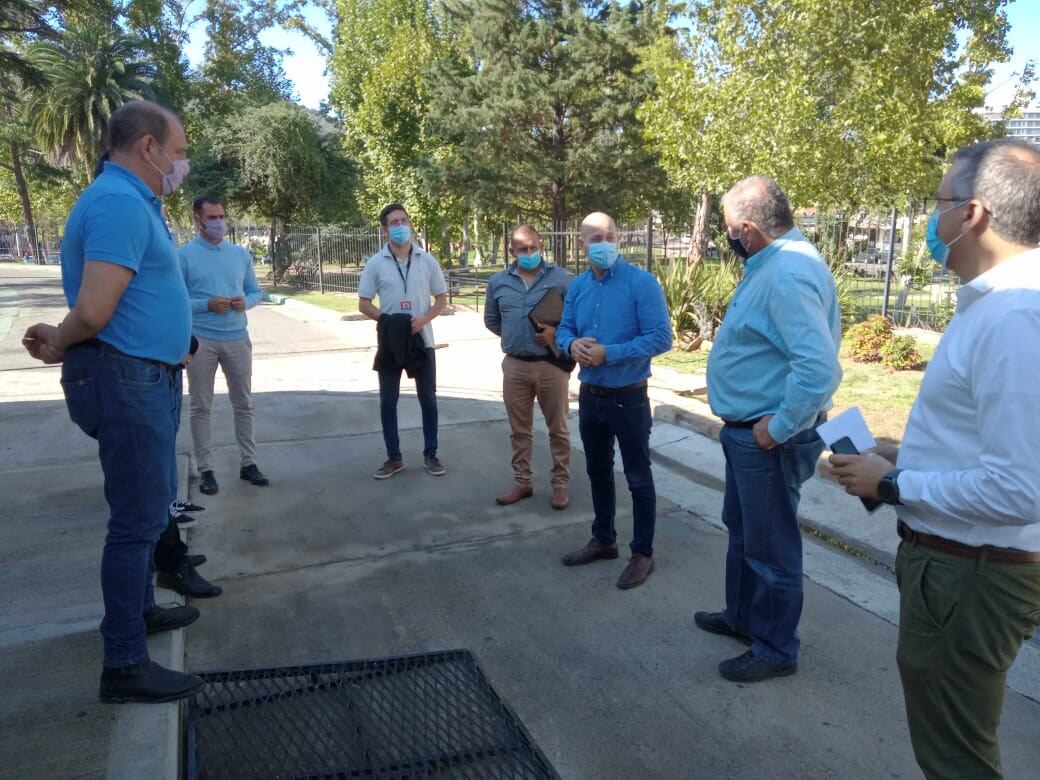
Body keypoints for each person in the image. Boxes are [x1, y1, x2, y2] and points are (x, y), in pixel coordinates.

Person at [830, 139, 1040, 779]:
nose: (931, 218)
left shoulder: (1013, 317)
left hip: (967, 576)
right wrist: (905, 452)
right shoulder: (998, 305)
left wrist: (893, 482)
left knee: (955, 757)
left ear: (973, 214)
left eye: (940, 202)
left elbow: (1021, 488)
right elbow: (993, 440)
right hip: (960, 570)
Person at [22, 100, 203, 703]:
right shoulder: (119, 202)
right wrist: (61, 339)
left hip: (142, 377)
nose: (181, 165)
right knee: (135, 524)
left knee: (148, 513)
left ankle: (140, 614)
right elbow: (96, 309)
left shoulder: (132, 202)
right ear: (148, 147)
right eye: (177, 153)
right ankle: (123, 662)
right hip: (125, 381)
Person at [694, 176, 841, 683]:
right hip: (748, 435)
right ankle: (744, 618)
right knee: (744, 531)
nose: (728, 238)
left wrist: (776, 429)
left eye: (730, 229)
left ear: (750, 229)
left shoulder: (786, 273)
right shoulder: (775, 262)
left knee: (770, 546)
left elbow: (818, 369)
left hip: (767, 441)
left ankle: (777, 647)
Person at [556, 211, 672, 589]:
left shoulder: (642, 283)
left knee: (638, 476)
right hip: (591, 396)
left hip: (630, 397)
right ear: (581, 243)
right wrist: (571, 344)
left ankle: (642, 553)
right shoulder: (578, 287)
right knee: (598, 472)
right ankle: (604, 539)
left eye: (608, 235)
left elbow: (660, 338)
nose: (602, 243)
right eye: (594, 237)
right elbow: (564, 329)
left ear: (618, 238)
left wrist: (612, 352)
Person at [178, 196, 266, 496]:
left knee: (243, 404)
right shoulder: (184, 256)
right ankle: (206, 469)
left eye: (222, 216)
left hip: (237, 338)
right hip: (201, 341)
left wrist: (247, 302)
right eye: (212, 217)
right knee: (201, 406)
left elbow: (256, 292)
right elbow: (176, 302)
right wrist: (206, 305)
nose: (219, 222)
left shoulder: (240, 255)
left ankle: (249, 464)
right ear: (197, 219)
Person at [484, 225, 575, 509]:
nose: (528, 253)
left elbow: (575, 320)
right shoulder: (498, 282)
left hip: (551, 365)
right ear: (512, 251)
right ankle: (522, 481)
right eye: (522, 249)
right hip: (515, 366)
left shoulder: (563, 280)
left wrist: (555, 337)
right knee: (519, 430)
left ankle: (560, 484)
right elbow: (492, 320)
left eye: (533, 247)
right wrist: (515, 338)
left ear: (541, 247)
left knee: (558, 428)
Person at [358, 203, 449, 479]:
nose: (401, 227)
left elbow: (442, 299)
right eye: (394, 223)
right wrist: (386, 321)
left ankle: (431, 454)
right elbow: (363, 303)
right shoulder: (376, 263)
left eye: (404, 221)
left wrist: (423, 319)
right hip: (391, 342)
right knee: (388, 400)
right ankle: (394, 457)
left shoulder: (426, 259)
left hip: (422, 341)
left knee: (428, 399)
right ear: (384, 229)